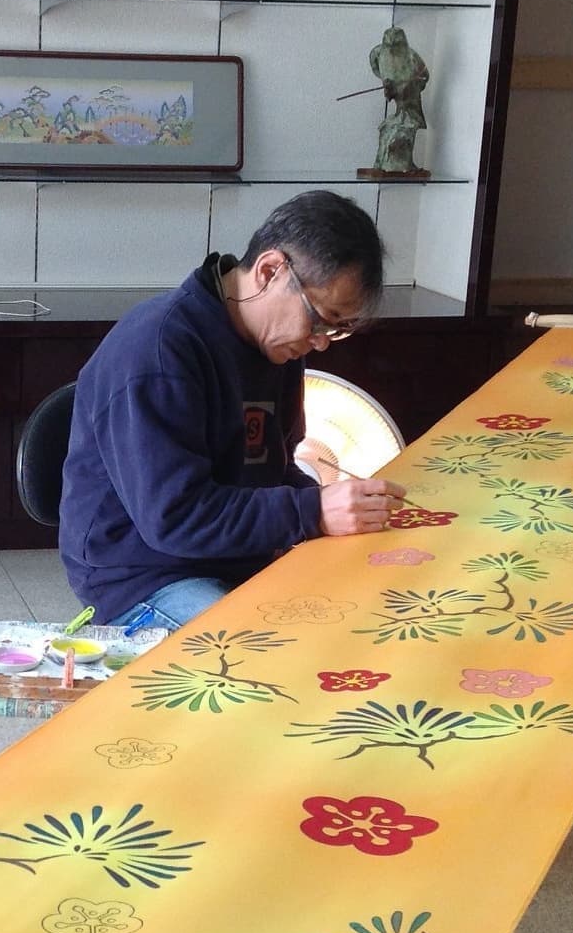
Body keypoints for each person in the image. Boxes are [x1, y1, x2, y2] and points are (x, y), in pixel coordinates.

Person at [58, 190, 405, 630]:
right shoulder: (158, 350)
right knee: (268, 655)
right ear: (270, 271)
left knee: (372, 615)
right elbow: (175, 519)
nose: (320, 342)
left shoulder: (276, 345)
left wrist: (341, 506)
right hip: (144, 577)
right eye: (320, 319)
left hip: (234, 559)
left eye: (338, 330)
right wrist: (312, 511)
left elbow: (276, 469)